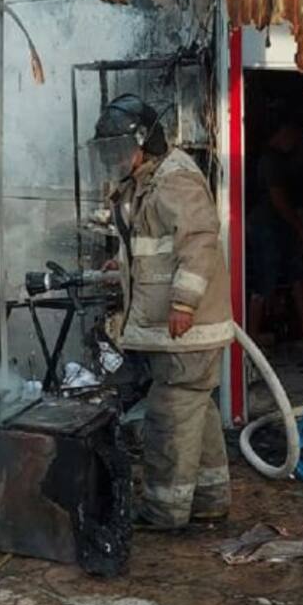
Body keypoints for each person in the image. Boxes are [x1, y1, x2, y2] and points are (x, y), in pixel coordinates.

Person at [93, 94, 234, 530]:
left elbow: (198, 242)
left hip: (185, 330)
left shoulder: (175, 180)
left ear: (145, 142)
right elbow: (155, 244)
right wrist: (123, 264)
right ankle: (209, 498)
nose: (116, 159)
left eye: (122, 149)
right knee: (196, 411)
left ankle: (164, 510)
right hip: (180, 331)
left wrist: (183, 303)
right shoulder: (148, 179)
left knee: (169, 416)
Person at [246, 116, 303, 344]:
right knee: (264, 279)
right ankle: (252, 336)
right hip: (266, 227)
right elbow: (278, 199)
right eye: (293, 136)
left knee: (297, 275)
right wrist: (300, 227)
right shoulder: (270, 160)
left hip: (277, 226)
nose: (294, 141)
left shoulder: (277, 159)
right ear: (283, 132)